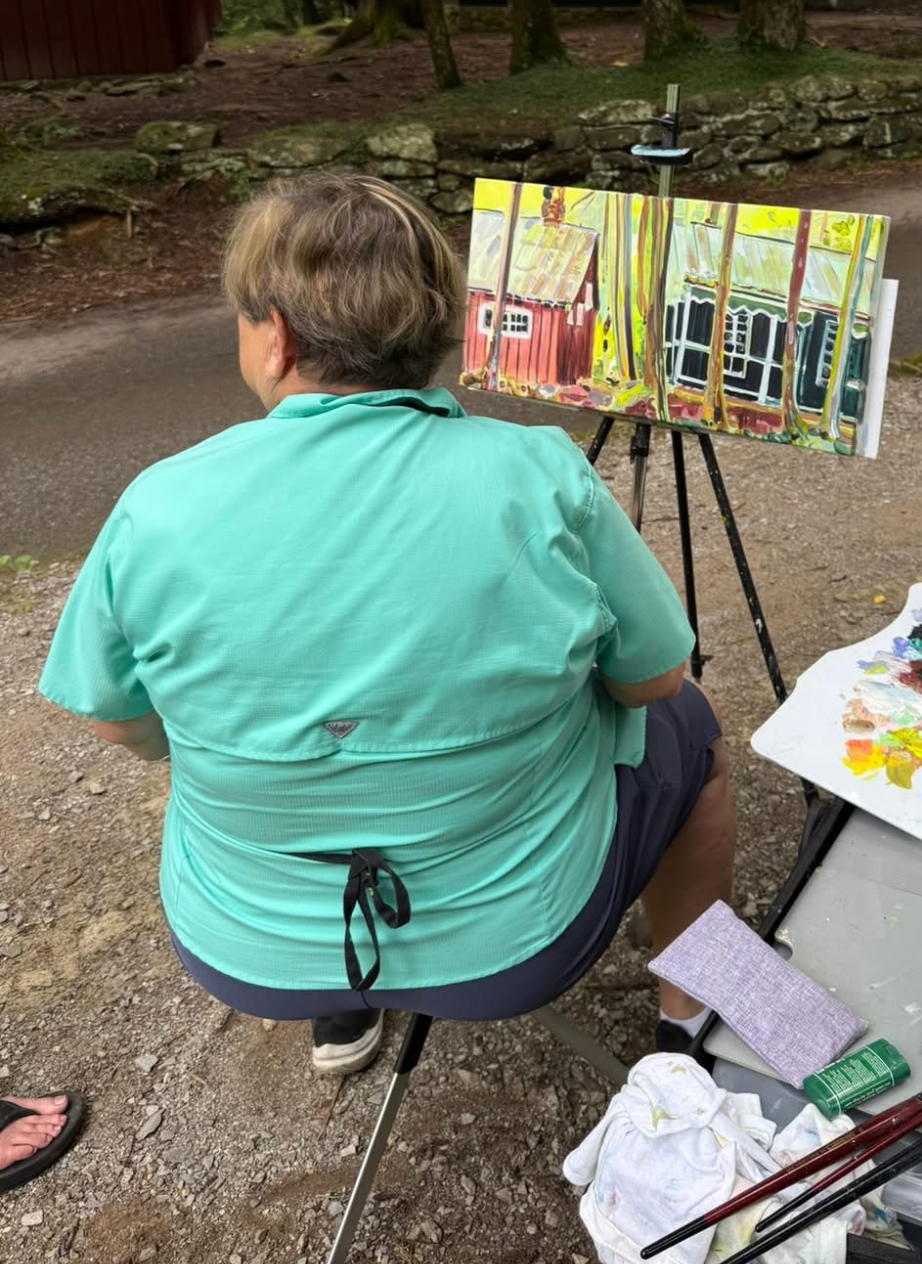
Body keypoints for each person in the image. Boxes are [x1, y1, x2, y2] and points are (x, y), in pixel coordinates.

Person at [38, 174, 733, 1075]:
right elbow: (652, 680)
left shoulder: (157, 504)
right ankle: (689, 1019)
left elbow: (120, 722)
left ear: (277, 336)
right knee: (697, 733)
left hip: (247, 948)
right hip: (518, 944)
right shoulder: (538, 471)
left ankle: (338, 1013)